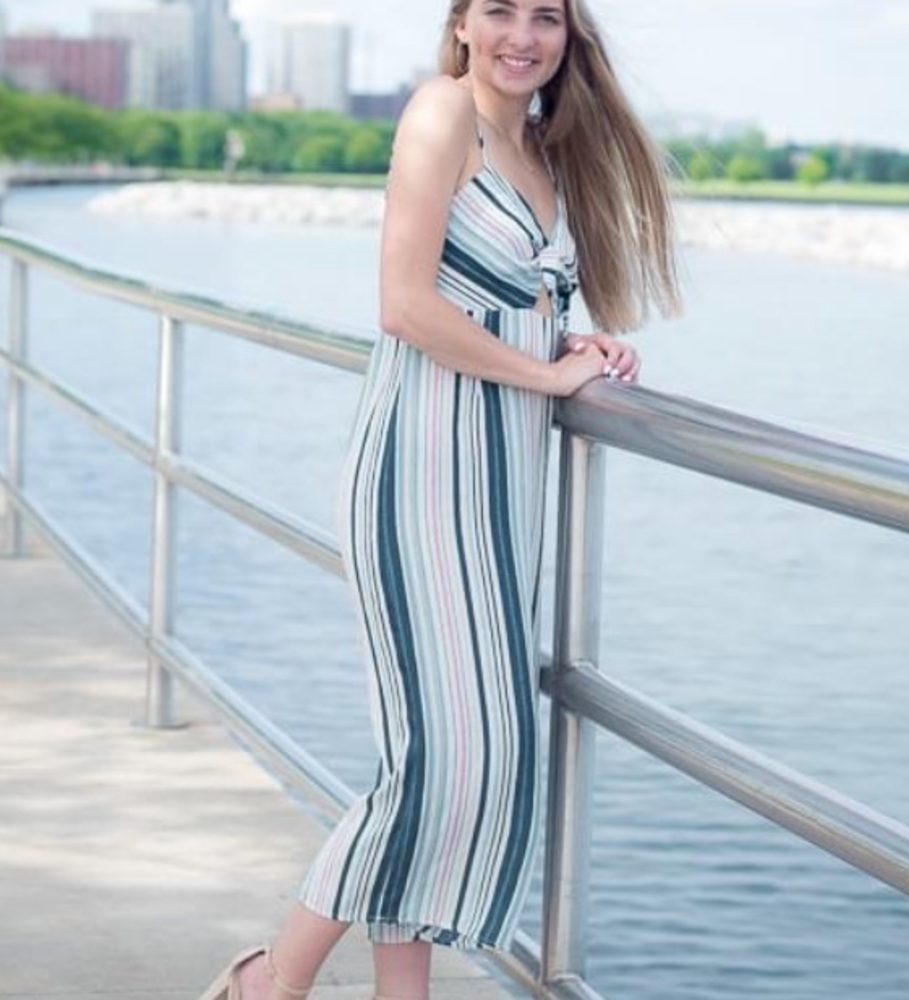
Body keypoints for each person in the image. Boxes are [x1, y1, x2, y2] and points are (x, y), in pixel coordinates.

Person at [199, 1, 678, 997]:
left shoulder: (545, 146)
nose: (522, 33)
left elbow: (498, 298)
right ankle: (269, 982)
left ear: (567, 36)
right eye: (497, 9)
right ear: (459, 25)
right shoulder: (439, 114)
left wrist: (567, 341)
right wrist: (546, 379)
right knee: (439, 763)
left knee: (475, 761)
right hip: (420, 468)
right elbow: (405, 305)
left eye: (544, 15)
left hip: (503, 482)